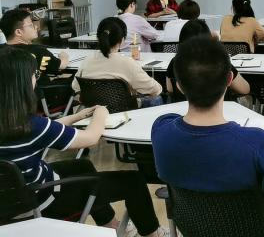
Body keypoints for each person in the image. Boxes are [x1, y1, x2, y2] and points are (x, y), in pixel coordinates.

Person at [0, 46, 167, 236]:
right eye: (34, 74)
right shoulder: (33, 125)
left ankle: (111, 225)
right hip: (41, 202)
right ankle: (153, 233)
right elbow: (90, 138)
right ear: (20, 83)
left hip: (10, 203)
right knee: (133, 180)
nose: (36, 79)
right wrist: (101, 114)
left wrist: (76, 117)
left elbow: (45, 129)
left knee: (82, 165)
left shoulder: (19, 123)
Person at [152, 36, 264, 236]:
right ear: (229, 79)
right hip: (256, 230)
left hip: (192, 229)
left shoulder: (161, 131)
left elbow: (175, 121)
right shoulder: (256, 143)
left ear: (179, 85)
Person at [73, 17, 163, 108]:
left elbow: (76, 87)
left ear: (98, 37)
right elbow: (154, 90)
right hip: (125, 111)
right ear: (122, 40)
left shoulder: (87, 61)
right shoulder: (128, 63)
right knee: (156, 98)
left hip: (95, 111)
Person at [165, 19, 250, 99]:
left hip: (185, 108)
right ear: (208, 38)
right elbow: (245, 89)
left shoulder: (175, 62)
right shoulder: (219, 61)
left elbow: (170, 89)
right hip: (221, 108)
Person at [0, 8, 69, 75]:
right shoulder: (39, 52)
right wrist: (64, 55)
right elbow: (62, 65)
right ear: (18, 32)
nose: (36, 27)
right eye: (31, 25)